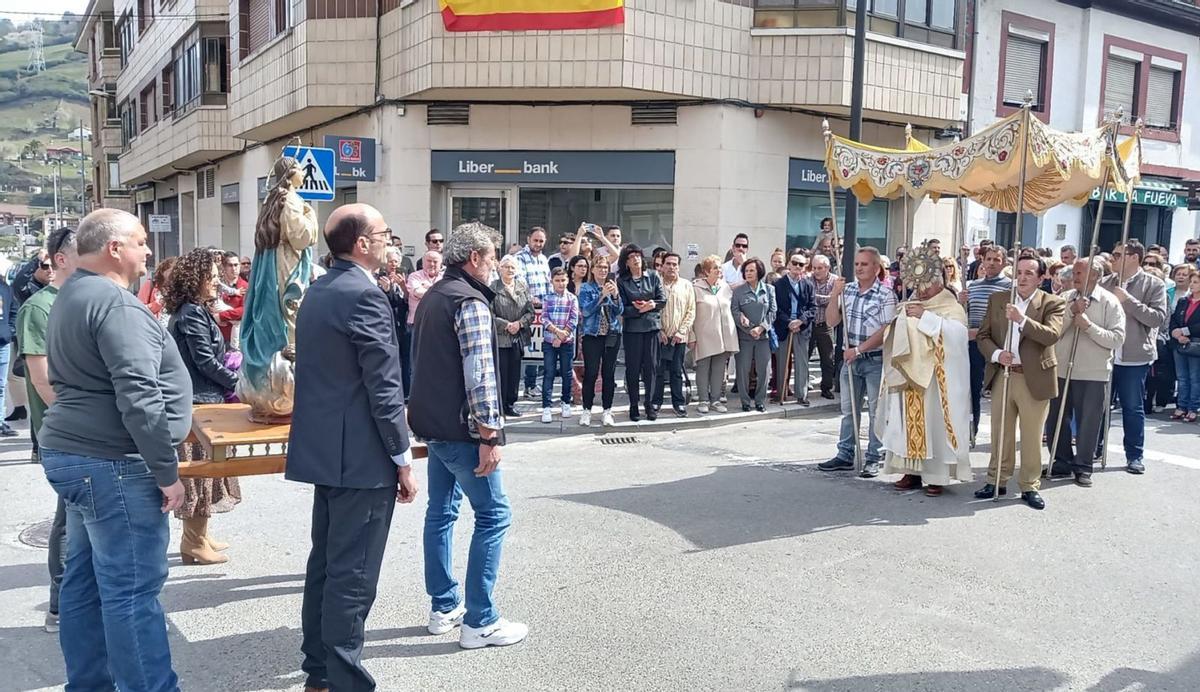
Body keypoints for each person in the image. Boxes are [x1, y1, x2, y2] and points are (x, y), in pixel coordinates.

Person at [39, 208, 191, 690]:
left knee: (84, 581)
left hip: (80, 457)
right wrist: (166, 470)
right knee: (130, 592)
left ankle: (89, 684)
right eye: (142, 242)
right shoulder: (114, 303)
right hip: (112, 463)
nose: (149, 251)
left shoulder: (74, 292)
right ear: (115, 248)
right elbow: (139, 395)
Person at [287, 204, 417, 692]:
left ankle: (319, 671)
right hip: (361, 455)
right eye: (384, 234)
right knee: (353, 575)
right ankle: (344, 680)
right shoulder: (365, 295)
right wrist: (402, 457)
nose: (389, 242)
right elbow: (383, 386)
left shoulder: (320, 288)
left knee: (326, 565)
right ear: (362, 243)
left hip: (327, 449)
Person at [410, 220, 528, 650]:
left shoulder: (435, 296)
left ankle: (444, 606)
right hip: (460, 429)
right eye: (492, 258)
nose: (496, 266)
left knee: (441, 512)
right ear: (475, 259)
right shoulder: (470, 302)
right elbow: (480, 377)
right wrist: (490, 436)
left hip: (434, 424)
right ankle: (481, 619)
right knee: (494, 515)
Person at [164, 248, 242, 565]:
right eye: (211, 276)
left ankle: (200, 535)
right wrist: (236, 383)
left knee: (208, 476)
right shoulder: (191, 313)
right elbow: (205, 361)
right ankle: (193, 542)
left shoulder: (194, 309)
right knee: (199, 474)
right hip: (198, 401)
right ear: (195, 279)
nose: (217, 281)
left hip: (203, 398)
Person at [16, 226, 76, 633]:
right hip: (64, 430)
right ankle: (59, 605)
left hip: (85, 429)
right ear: (60, 259)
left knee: (76, 515)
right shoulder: (39, 308)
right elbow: (42, 380)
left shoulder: (80, 300)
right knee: (70, 516)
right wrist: (80, 422)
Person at [877, 246, 973, 496]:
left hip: (936, 381)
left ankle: (936, 476)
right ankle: (910, 471)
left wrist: (926, 317)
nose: (923, 289)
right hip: (911, 376)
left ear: (940, 280)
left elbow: (958, 336)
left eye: (928, 284)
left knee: (935, 425)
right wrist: (902, 319)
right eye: (919, 284)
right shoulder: (912, 302)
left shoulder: (951, 306)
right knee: (907, 423)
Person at [973, 256, 1066, 510]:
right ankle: (996, 480)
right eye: (1019, 272)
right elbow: (983, 335)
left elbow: (1052, 335)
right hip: (1004, 373)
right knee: (1000, 432)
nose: (1023, 277)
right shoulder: (999, 299)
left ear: (1040, 277)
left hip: (1033, 376)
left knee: (1031, 435)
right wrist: (995, 354)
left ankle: (1029, 484)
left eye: (1029, 273)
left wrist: (1022, 320)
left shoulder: (1052, 303)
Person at [1047, 258, 1125, 487]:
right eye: (1075, 272)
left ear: (1095, 275)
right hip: (1062, 368)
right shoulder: (1065, 299)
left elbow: (1117, 339)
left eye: (1081, 272)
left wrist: (1089, 326)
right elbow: (1053, 332)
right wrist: (1072, 314)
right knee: (1057, 418)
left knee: (1089, 421)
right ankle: (1060, 460)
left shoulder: (1109, 302)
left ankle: (1083, 466)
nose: (1075, 276)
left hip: (1093, 372)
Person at [819, 248, 897, 477]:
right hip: (850, 358)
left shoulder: (886, 295)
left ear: (876, 268)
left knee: (875, 411)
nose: (859, 268)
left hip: (873, 359)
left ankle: (874, 456)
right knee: (848, 410)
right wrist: (835, 295)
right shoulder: (848, 291)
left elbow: (886, 330)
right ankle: (845, 453)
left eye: (864, 264)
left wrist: (860, 349)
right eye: (857, 264)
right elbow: (832, 321)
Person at [1100, 241, 1169, 474]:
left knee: (1132, 407)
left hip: (1134, 355)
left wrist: (1128, 300)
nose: (1113, 259)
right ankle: (1094, 448)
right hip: (1106, 353)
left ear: (1133, 257)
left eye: (1118, 255)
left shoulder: (1154, 284)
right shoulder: (1105, 283)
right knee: (1099, 405)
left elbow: (1157, 318)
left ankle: (1134, 455)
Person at [962, 245, 1011, 445]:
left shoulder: (1009, 286)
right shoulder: (973, 286)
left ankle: (1000, 436)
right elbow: (966, 314)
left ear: (1004, 263)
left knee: (998, 388)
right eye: (988, 259)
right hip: (973, 343)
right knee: (971, 388)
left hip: (996, 343)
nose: (991, 263)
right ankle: (971, 430)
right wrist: (960, 302)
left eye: (996, 260)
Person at [617, 243, 665, 421]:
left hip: (651, 328)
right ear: (626, 262)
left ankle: (650, 404)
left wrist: (651, 305)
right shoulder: (622, 281)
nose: (635, 259)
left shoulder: (653, 276)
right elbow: (621, 307)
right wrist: (639, 310)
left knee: (651, 367)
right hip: (632, 330)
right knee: (633, 368)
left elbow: (662, 299)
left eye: (637, 255)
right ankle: (633, 404)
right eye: (631, 257)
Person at [690, 255, 738, 414]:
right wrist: (691, 336)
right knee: (703, 369)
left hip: (724, 335)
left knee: (719, 369)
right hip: (704, 336)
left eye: (720, 267)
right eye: (715, 268)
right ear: (706, 272)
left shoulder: (725, 288)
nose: (719, 270)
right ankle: (703, 399)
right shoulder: (696, 288)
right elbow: (690, 313)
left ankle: (715, 400)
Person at [578, 257, 623, 426]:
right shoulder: (586, 288)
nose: (603, 270)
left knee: (608, 374)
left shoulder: (613, 286)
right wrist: (601, 296)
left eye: (605, 267)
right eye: (599, 267)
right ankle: (586, 410)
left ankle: (607, 410)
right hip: (592, 335)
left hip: (612, 334)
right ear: (593, 269)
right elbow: (586, 311)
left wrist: (615, 295)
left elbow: (620, 310)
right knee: (591, 373)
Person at [491, 255, 535, 418]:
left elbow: (530, 312)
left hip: (518, 336)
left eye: (512, 267)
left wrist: (520, 324)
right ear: (499, 268)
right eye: (506, 266)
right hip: (502, 336)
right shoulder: (493, 287)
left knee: (515, 372)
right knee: (501, 372)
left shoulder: (522, 286)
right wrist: (506, 325)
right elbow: (489, 312)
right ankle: (500, 406)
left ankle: (510, 404)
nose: (510, 270)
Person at [652, 252, 695, 417]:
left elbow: (691, 311)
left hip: (679, 337)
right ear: (662, 266)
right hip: (659, 337)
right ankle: (656, 401)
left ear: (679, 267)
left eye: (674, 264)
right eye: (668, 264)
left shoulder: (686, 285)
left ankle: (678, 403)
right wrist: (660, 330)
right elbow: (653, 311)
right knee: (659, 371)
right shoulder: (656, 284)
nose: (671, 267)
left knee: (677, 371)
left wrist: (682, 331)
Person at [731, 258, 776, 412]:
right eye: (746, 271)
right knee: (743, 369)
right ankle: (745, 401)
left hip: (763, 338)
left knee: (764, 369)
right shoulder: (738, 291)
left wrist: (761, 328)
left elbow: (773, 312)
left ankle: (759, 400)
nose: (748, 273)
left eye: (752, 270)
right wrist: (750, 328)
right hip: (745, 337)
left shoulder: (769, 289)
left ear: (759, 272)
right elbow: (735, 312)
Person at [539, 267, 580, 423]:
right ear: (552, 281)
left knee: (566, 373)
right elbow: (544, 318)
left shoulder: (572, 298)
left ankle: (565, 402)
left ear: (567, 280)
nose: (561, 284)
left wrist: (562, 336)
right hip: (550, 341)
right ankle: (546, 406)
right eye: (557, 281)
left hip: (566, 342)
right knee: (548, 373)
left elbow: (573, 320)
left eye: (563, 280)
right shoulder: (547, 298)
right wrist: (557, 332)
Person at [774, 253, 815, 406]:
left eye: (801, 264)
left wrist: (801, 321)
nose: (797, 266)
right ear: (789, 264)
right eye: (795, 263)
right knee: (782, 362)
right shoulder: (778, 284)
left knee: (802, 362)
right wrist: (788, 322)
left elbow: (812, 307)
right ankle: (781, 393)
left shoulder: (808, 285)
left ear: (804, 267)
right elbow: (775, 308)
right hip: (785, 328)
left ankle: (801, 395)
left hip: (802, 329)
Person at [516, 228, 551, 397]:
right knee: (530, 347)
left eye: (541, 241)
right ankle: (528, 386)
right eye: (535, 240)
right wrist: (531, 298)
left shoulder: (544, 259)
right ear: (528, 239)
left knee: (538, 347)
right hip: (527, 309)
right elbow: (520, 283)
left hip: (543, 310)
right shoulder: (520, 258)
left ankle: (533, 384)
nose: (538, 244)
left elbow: (548, 283)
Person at [379, 247, 412, 400]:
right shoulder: (379, 279)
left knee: (406, 359)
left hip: (403, 323)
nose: (393, 265)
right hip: (387, 324)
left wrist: (404, 287)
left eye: (396, 261)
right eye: (390, 261)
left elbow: (407, 301)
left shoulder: (404, 278)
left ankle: (406, 392)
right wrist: (387, 290)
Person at [1169, 267, 1200, 421]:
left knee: (1195, 377)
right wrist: (1175, 332)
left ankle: (1193, 408)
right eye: (1192, 282)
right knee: (1182, 377)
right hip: (1179, 344)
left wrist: (1185, 331)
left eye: (1196, 282)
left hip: (1195, 344)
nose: (1192, 285)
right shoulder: (1183, 301)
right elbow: (1174, 318)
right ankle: (1181, 407)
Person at [807, 255, 838, 400]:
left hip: (826, 325)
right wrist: (827, 299)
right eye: (814, 268)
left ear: (827, 268)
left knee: (827, 359)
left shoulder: (835, 281)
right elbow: (810, 299)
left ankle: (826, 388)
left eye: (819, 268)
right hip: (809, 324)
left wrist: (826, 299)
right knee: (803, 357)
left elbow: (835, 301)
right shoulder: (808, 280)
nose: (816, 271)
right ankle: (803, 386)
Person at [406, 250, 442, 350]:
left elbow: (448, 295)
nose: (432, 264)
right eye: (429, 261)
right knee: (416, 359)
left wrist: (428, 287)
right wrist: (437, 290)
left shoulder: (445, 278)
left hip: (439, 324)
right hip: (418, 324)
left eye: (435, 261)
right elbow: (418, 293)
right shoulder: (414, 276)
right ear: (423, 263)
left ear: (441, 264)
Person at [215, 250, 248, 347]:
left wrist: (221, 316)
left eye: (236, 265)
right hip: (218, 336)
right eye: (230, 265)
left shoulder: (245, 286)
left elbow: (244, 310)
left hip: (237, 339)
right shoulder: (217, 285)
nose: (234, 269)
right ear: (224, 267)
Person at [137, 256, 177, 328]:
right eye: (171, 270)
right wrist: (158, 303)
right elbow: (139, 310)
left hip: (171, 331)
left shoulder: (177, 288)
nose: (173, 274)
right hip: (153, 329)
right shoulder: (150, 285)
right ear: (163, 271)